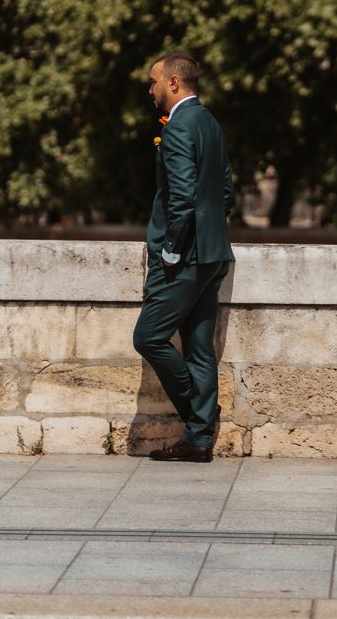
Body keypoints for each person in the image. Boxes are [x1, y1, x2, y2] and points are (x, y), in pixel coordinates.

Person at [133, 52, 236, 463]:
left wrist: (171, 251)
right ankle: (198, 442)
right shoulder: (210, 123)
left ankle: (200, 417)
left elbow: (182, 197)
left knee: (148, 337)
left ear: (173, 82)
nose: (151, 89)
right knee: (198, 347)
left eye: (154, 80)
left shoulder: (177, 126)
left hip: (185, 256)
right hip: (213, 252)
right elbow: (225, 193)